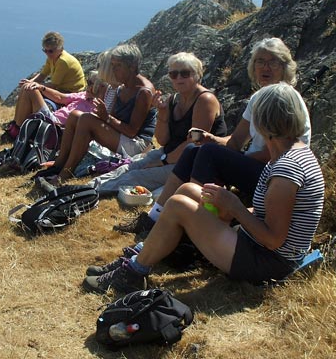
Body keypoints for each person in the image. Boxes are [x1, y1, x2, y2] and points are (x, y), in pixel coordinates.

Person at [83, 83, 324, 294]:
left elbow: (273, 240)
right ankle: (140, 254)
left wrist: (236, 208)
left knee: (178, 205)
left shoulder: (286, 171)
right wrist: (230, 208)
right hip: (259, 246)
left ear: (262, 122)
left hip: (268, 263)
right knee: (188, 190)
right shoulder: (291, 154)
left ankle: (134, 273)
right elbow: (274, 218)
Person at [126, 37, 312, 234]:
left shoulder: (285, 100)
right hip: (257, 168)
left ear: (284, 67)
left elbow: (274, 154)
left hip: (275, 176)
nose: (265, 67)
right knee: (193, 149)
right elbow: (236, 141)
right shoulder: (259, 98)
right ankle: (154, 218)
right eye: (260, 61)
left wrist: (226, 157)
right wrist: (211, 139)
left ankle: (192, 224)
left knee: (209, 154)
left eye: (272, 61)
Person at [86, 51, 227, 196]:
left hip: (193, 163)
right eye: (173, 74)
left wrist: (163, 161)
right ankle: (85, 188)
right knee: (129, 167)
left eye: (185, 73)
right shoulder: (174, 99)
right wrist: (163, 115)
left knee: (134, 177)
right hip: (170, 154)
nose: (178, 78)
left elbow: (195, 143)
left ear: (197, 74)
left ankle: (88, 194)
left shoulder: (205, 100)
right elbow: (162, 140)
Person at [34, 44, 157, 183]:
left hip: (137, 144)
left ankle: (64, 175)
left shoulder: (144, 92)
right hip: (123, 136)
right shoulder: (122, 87)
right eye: (113, 65)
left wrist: (106, 117)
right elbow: (112, 119)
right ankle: (59, 165)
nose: (114, 70)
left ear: (132, 67)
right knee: (75, 115)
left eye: (118, 66)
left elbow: (132, 131)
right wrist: (102, 115)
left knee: (86, 120)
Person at [4, 31, 86, 140]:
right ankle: (16, 125)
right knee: (26, 88)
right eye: (45, 50)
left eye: (50, 51)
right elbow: (43, 74)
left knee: (30, 91)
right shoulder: (53, 58)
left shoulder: (63, 62)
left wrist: (35, 85)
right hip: (60, 90)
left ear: (60, 48)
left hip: (67, 94)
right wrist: (30, 82)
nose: (47, 53)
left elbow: (53, 85)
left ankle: (17, 129)